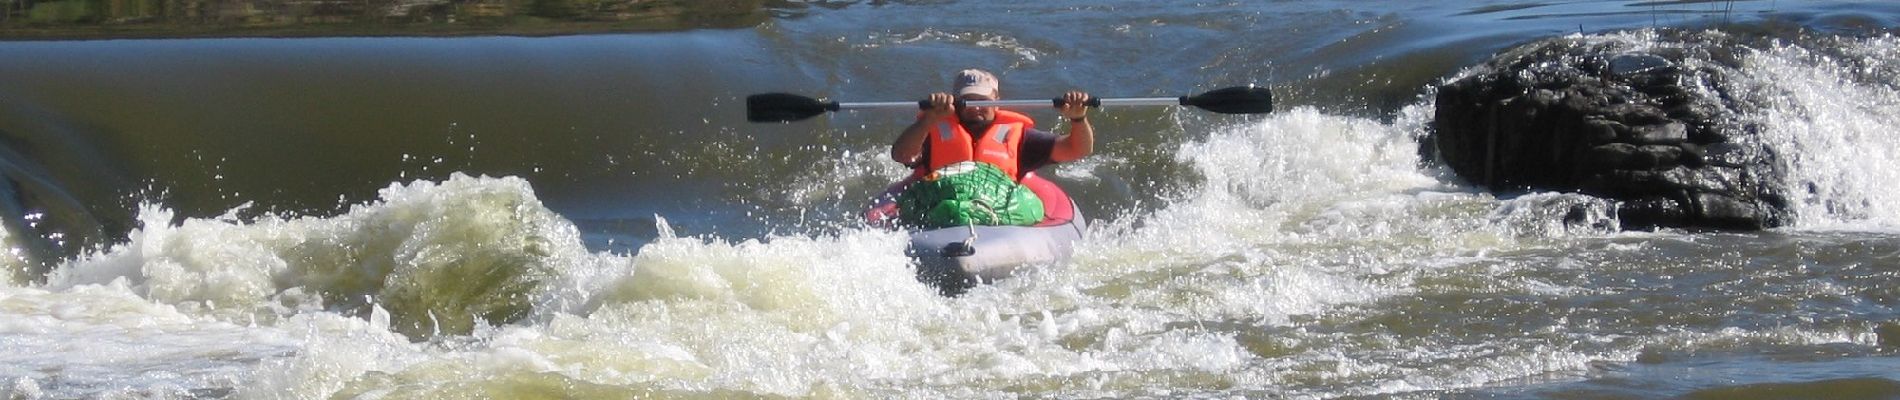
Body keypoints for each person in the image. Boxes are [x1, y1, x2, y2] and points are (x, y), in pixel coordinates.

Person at [887, 69, 1094, 228]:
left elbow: (1077, 149)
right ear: (957, 101)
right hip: (942, 208)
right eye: (969, 100)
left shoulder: (1020, 137)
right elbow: (901, 155)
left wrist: (1078, 119)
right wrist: (928, 119)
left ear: (997, 99)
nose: (976, 107)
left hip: (1001, 213)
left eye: (983, 100)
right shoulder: (933, 130)